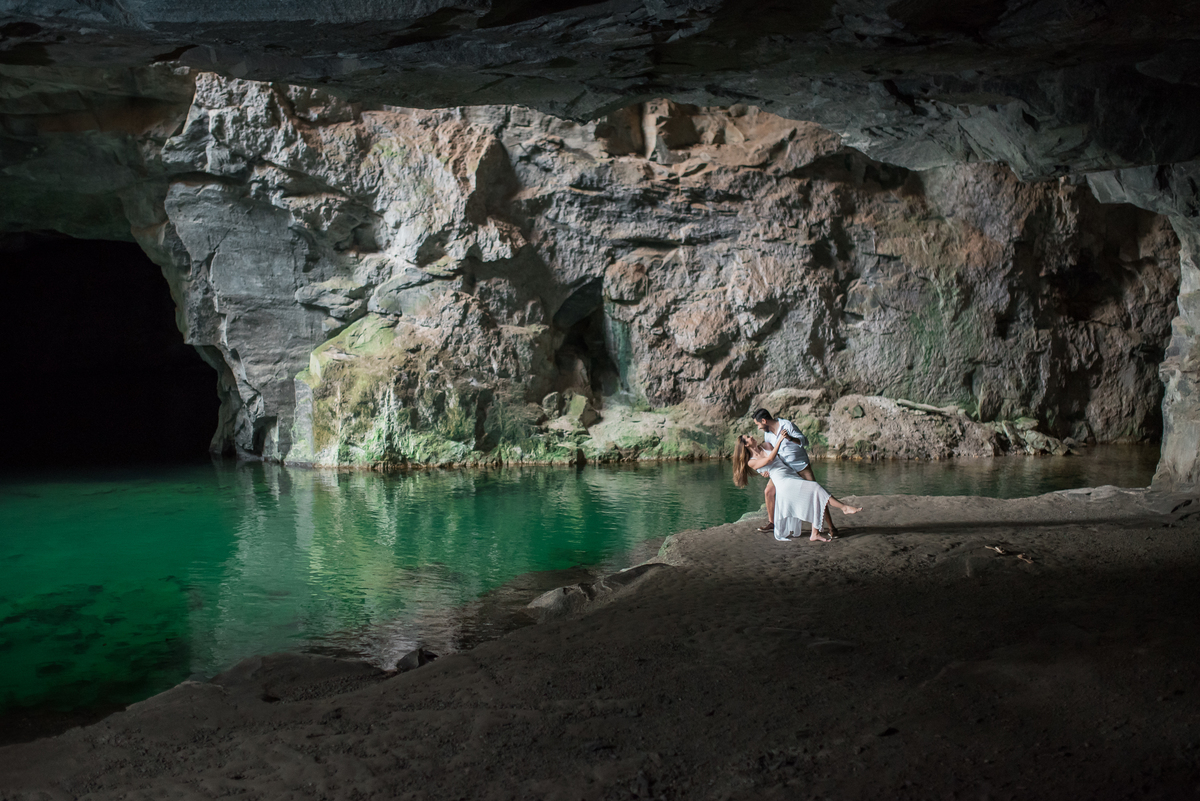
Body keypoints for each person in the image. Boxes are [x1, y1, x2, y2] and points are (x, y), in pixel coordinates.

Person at [732, 433, 862, 542]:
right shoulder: (751, 461)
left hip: (790, 474)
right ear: (746, 444)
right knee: (815, 488)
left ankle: (815, 533)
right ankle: (844, 508)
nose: (752, 436)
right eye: (748, 437)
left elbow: (779, 457)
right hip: (782, 482)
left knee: (814, 495)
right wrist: (780, 441)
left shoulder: (766, 445)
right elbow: (770, 459)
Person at [752, 408, 814, 533]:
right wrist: (762, 471)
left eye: (758, 424)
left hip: (801, 466)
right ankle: (772, 523)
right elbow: (767, 453)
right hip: (784, 468)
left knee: (816, 494)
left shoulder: (787, 425)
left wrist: (790, 438)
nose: (758, 428)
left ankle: (830, 527)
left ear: (764, 421)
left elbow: (804, 441)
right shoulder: (767, 434)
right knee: (768, 491)